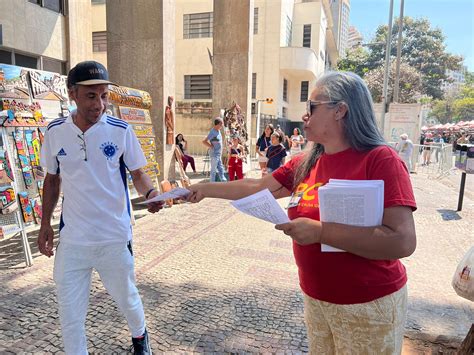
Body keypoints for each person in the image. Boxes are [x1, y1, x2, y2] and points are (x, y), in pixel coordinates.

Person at [186, 71, 417, 354]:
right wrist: (206, 189)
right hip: (317, 299)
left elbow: (402, 241)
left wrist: (321, 232)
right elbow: (258, 187)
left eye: (311, 107)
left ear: (340, 110)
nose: (304, 115)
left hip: (368, 304)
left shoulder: (381, 160)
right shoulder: (307, 162)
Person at [37, 61, 162, 355]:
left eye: (104, 96)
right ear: (73, 95)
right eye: (91, 96)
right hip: (73, 241)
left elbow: (138, 173)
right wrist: (45, 225)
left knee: (127, 299)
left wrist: (151, 192)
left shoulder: (120, 130)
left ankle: (140, 338)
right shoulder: (55, 131)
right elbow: (52, 180)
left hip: (114, 238)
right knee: (70, 316)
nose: (100, 104)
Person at [202, 117, 227, 182]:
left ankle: (224, 181)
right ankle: (212, 184)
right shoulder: (212, 132)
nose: (221, 126)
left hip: (218, 153)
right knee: (213, 170)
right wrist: (211, 146)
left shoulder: (218, 131)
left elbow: (218, 141)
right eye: (221, 125)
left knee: (221, 168)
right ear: (217, 124)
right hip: (214, 154)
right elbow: (204, 141)